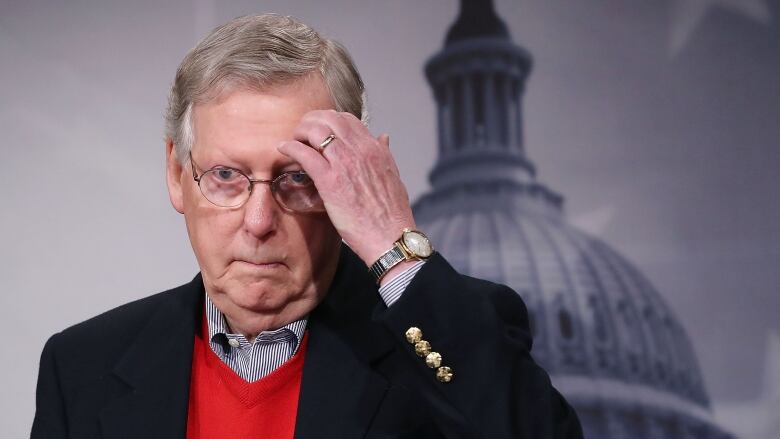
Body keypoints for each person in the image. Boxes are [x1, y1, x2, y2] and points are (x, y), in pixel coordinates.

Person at [31, 13, 582, 439]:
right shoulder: (81, 366)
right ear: (178, 175)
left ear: (354, 176)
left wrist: (393, 244)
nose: (259, 220)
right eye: (225, 175)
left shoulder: (444, 338)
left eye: (298, 179)